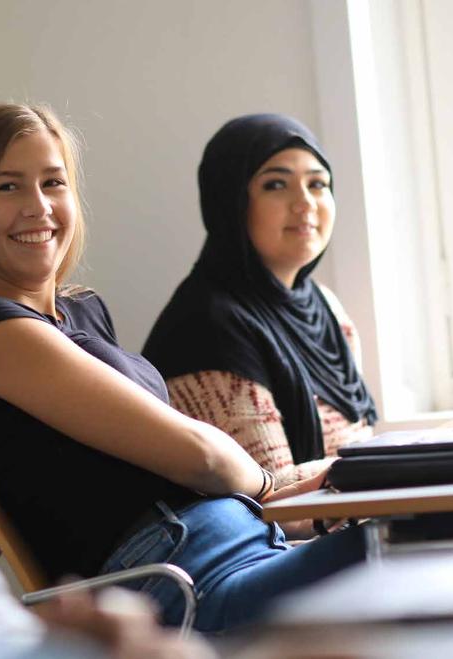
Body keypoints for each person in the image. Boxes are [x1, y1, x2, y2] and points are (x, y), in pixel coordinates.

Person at [0, 103, 369, 634]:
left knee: (426, 525)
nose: (38, 206)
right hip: (185, 584)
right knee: (406, 546)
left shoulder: (80, 311)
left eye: (53, 182)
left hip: (242, 546)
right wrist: (270, 486)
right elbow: (198, 455)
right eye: (7, 187)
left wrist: (292, 494)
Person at [143, 114, 377, 489]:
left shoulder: (326, 308)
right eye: (276, 185)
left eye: (317, 184)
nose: (305, 203)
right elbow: (273, 495)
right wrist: (401, 461)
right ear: (231, 202)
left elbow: (356, 447)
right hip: (271, 545)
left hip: (345, 526)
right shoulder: (208, 325)